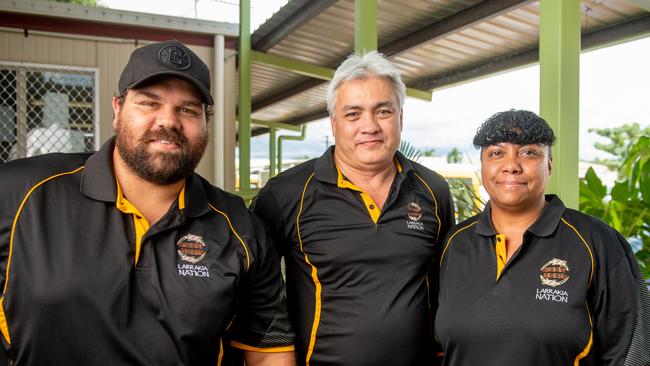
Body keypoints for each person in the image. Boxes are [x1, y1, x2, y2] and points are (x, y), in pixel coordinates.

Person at [0, 40, 295, 366]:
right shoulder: (19, 194)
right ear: (117, 109)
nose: (168, 121)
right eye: (149, 103)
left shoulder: (242, 229)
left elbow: (269, 352)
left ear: (206, 123)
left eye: (187, 109)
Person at [251, 52, 455, 366]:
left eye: (383, 111)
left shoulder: (433, 190)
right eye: (353, 114)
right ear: (334, 123)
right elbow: (257, 293)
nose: (369, 126)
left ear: (400, 116)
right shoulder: (285, 195)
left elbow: (443, 290)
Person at [435, 109, 650, 365]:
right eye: (496, 153)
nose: (511, 166)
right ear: (483, 165)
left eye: (528, 153)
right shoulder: (455, 243)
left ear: (549, 163)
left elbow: (632, 354)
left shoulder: (598, 242)